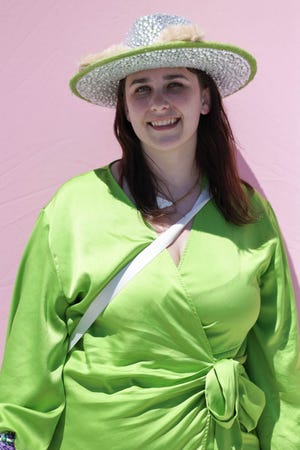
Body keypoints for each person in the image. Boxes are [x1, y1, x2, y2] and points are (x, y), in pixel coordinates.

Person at [0, 12, 299, 450]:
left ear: (205, 99)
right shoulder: (75, 209)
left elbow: (281, 361)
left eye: (175, 84)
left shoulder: (247, 212)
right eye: (141, 89)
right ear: (125, 106)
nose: (159, 102)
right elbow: (30, 361)